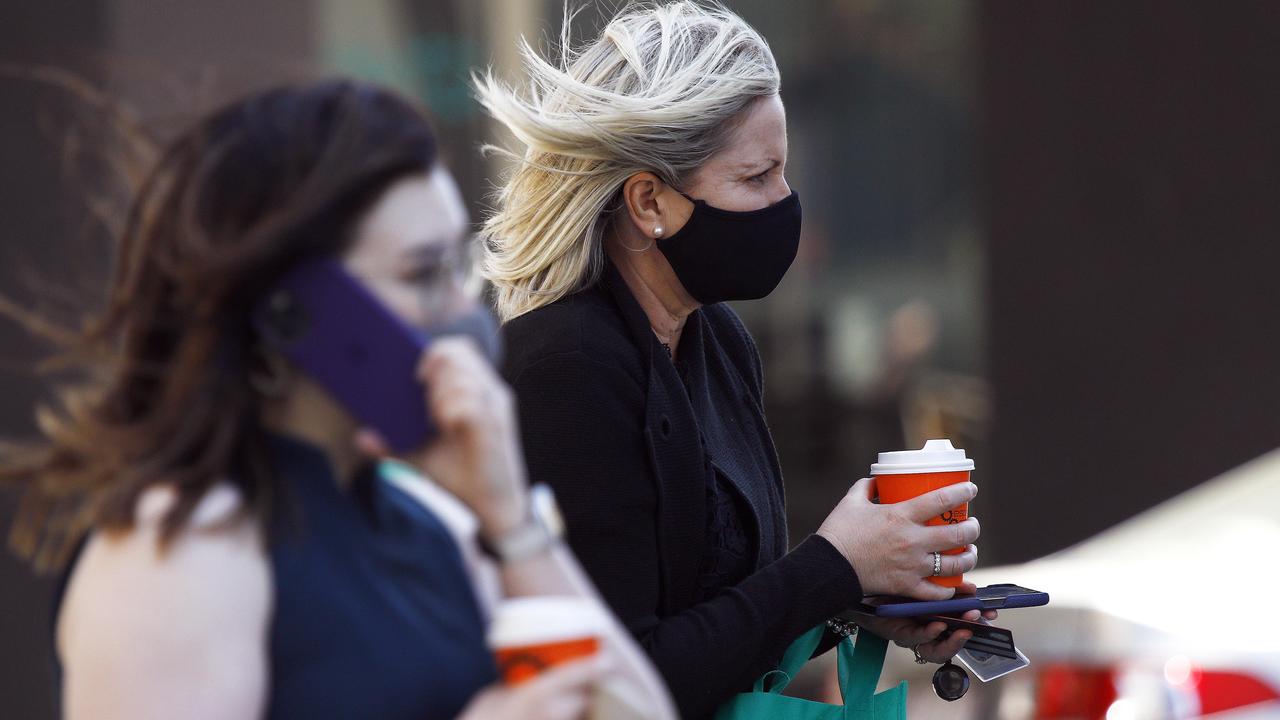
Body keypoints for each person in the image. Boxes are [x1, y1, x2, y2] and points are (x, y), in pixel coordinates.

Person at [1, 78, 674, 720]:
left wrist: (509, 515)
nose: (461, 307)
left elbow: (637, 708)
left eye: (456, 267)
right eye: (423, 273)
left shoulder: (432, 520)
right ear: (296, 310)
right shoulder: (182, 543)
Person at [475, 3, 995, 717]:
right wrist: (834, 565)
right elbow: (626, 680)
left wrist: (865, 597)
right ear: (649, 201)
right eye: (756, 178)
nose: (786, 202)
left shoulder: (714, 339)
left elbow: (727, 623)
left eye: (784, 171)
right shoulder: (566, 370)